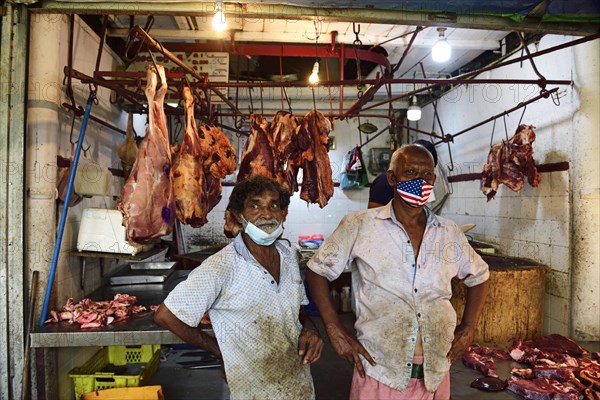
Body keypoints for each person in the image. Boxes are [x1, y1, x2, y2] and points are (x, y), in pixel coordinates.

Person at [306, 144, 489, 399]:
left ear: (433, 180)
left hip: (435, 373)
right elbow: (317, 271)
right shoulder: (360, 225)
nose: (419, 181)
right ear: (392, 178)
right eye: (410, 172)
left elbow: (479, 276)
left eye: (426, 176)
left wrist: (469, 326)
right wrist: (334, 327)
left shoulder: (449, 232)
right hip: (380, 372)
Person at [154, 175, 324, 400]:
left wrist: (311, 330)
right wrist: (221, 353)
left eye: (273, 205)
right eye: (255, 205)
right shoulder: (221, 265)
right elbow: (166, 316)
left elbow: (297, 311)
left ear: (283, 214)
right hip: (252, 390)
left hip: (298, 385)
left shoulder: (289, 255)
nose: (266, 214)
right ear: (238, 215)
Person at [368, 139, 438, 208]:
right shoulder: (384, 182)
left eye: (426, 172)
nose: (420, 178)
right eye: (411, 171)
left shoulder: (425, 185)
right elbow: (374, 215)